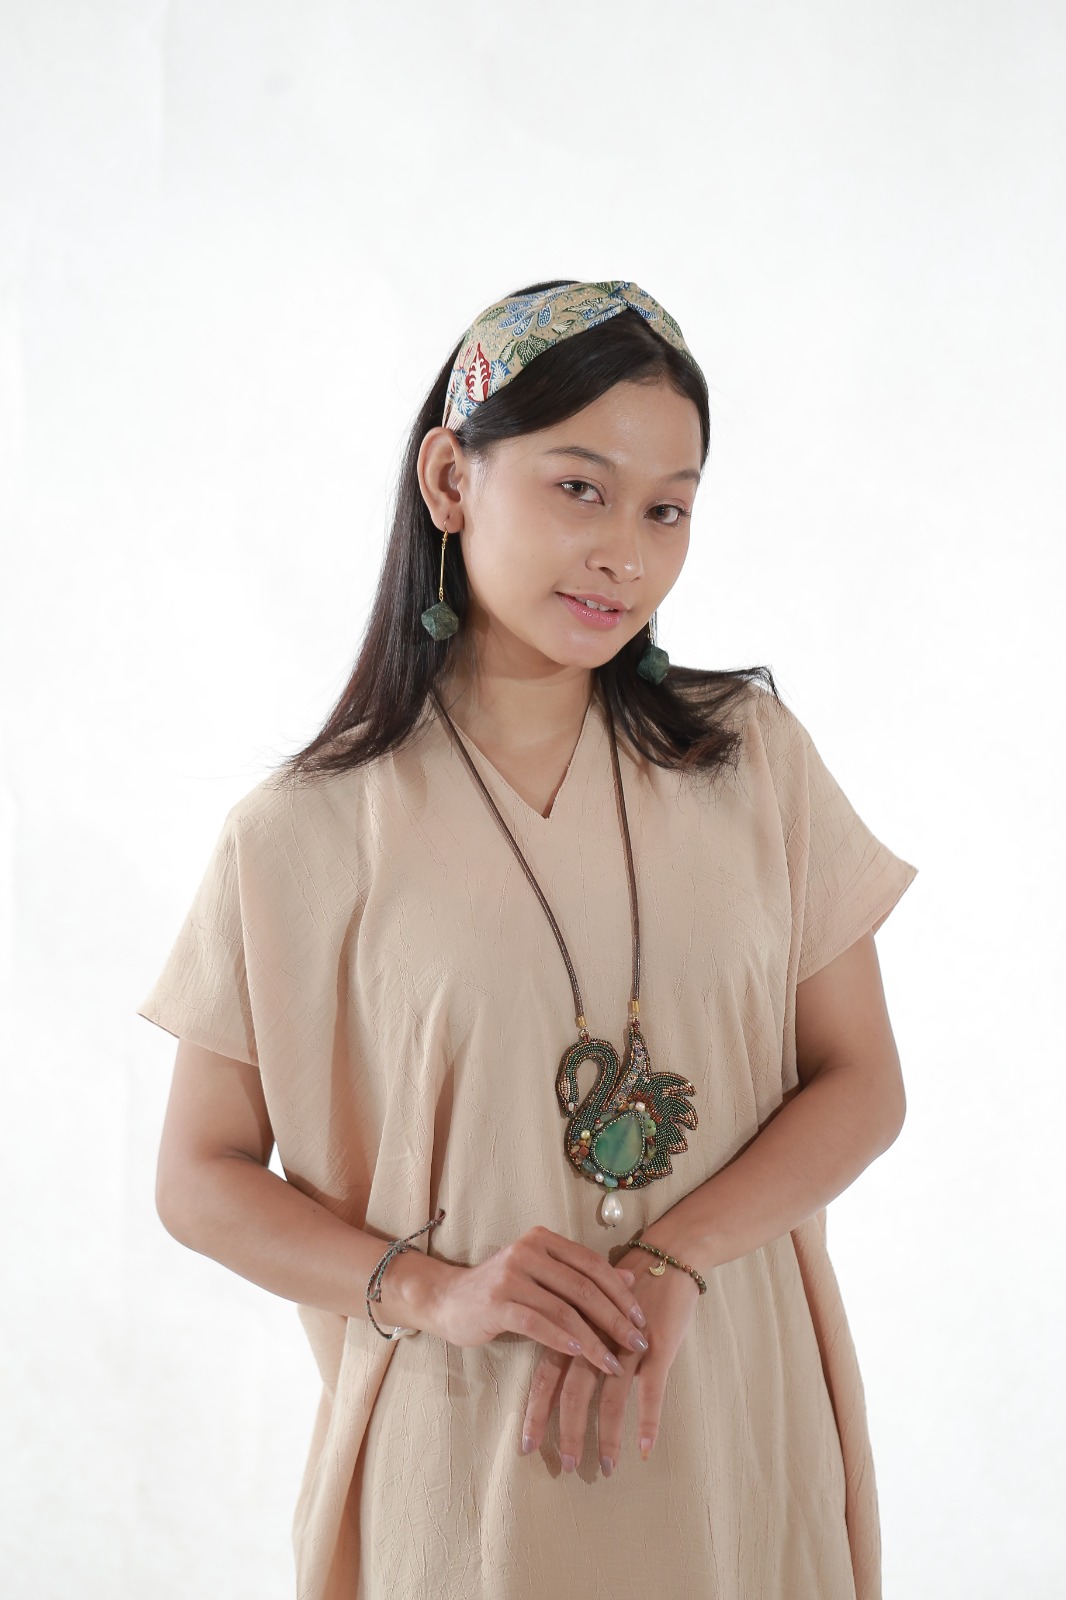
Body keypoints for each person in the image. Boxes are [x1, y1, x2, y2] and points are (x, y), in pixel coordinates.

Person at [138, 279, 918, 1600]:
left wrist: (676, 1254)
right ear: (451, 479)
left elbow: (863, 1082)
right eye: (579, 489)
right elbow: (198, 1177)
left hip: (733, 1422)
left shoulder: (751, 763)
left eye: (666, 508)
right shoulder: (301, 835)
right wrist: (432, 1292)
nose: (626, 552)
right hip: (467, 1456)